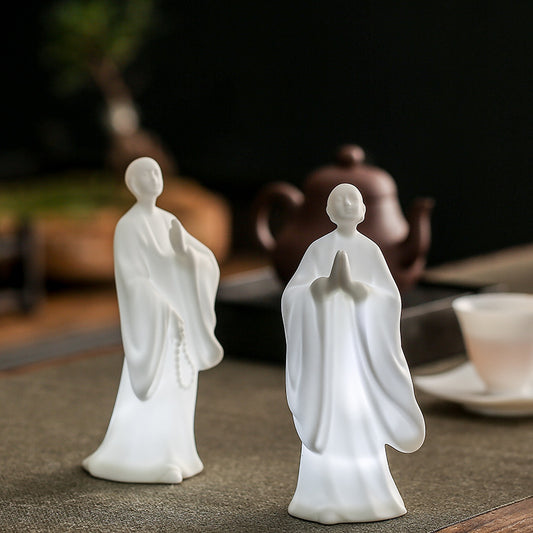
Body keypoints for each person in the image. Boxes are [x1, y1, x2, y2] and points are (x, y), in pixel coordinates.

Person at [282, 183, 425, 524]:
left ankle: (370, 496)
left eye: (354, 200)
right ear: (330, 211)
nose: (347, 205)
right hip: (329, 358)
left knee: (360, 419)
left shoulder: (370, 250)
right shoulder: (319, 249)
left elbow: (390, 299)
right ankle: (323, 497)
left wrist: (357, 291)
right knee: (334, 416)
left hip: (360, 359)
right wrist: (323, 289)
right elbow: (293, 296)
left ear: (362, 210)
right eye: (339, 200)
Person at [82, 157, 223, 483]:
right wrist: (161, 306)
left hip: (180, 325)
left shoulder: (169, 220)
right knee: (154, 389)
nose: (153, 179)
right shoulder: (128, 226)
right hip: (157, 322)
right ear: (131, 184)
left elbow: (203, 262)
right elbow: (132, 279)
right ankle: (142, 458)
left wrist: (185, 257)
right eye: (144, 174)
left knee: (178, 390)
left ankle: (177, 453)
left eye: (156, 172)